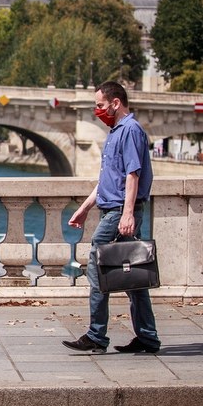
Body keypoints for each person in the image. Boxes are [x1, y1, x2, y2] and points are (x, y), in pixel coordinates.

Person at [62, 81, 160, 354]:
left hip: (119, 212)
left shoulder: (130, 130)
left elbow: (132, 174)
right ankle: (148, 338)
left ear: (115, 103)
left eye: (100, 105)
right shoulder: (116, 131)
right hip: (115, 209)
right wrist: (85, 208)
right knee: (135, 275)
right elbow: (109, 179)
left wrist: (127, 214)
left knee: (97, 267)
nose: (97, 110)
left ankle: (96, 336)